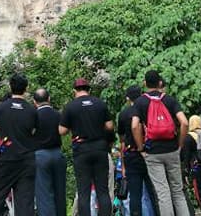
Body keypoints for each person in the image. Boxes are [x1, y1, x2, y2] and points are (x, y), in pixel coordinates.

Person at [131, 70, 190, 216]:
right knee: (178, 191)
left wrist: (141, 148)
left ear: (145, 83)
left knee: (163, 192)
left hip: (153, 152)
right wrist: (180, 145)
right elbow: (184, 122)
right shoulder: (169, 100)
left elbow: (134, 126)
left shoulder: (140, 102)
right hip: (172, 149)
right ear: (160, 83)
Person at [0, 73, 38, 216]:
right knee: (25, 203)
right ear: (26, 88)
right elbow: (34, 134)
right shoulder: (32, 111)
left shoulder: (0, 108)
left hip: (6, 159)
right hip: (26, 161)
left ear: (10, 87)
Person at [60, 78, 115, 216]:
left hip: (81, 150)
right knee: (102, 190)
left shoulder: (71, 106)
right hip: (100, 148)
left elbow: (62, 130)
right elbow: (110, 126)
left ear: (74, 91)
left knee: (83, 191)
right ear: (89, 89)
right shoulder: (99, 103)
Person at [118, 86, 157, 216]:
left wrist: (123, 165)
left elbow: (122, 141)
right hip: (150, 153)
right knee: (154, 191)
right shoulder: (148, 109)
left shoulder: (124, 114)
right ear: (141, 95)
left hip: (132, 154)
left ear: (127, 98)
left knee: (135, 194)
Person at [33, 88, 66, 216]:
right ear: (49, 98)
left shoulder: (33, 116)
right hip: (57, 154)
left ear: (34, 102)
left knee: (44, 194)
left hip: (40, 156)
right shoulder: (58, 114)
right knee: (60, 192)